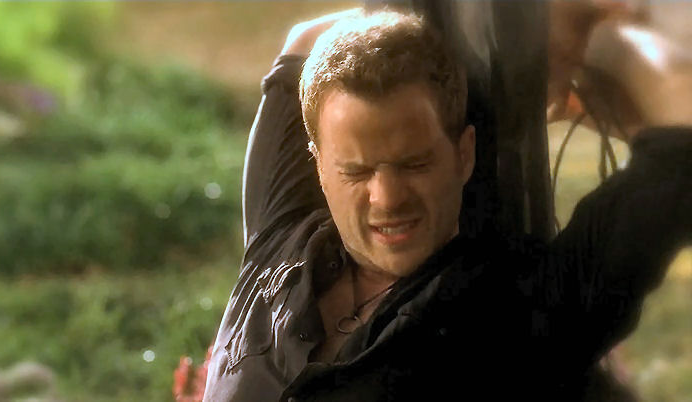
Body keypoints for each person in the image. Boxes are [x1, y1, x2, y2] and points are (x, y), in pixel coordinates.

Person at [203, 8, 691, 401]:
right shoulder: (280, 229)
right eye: (357, 172)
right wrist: (470, 18)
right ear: (318, 165)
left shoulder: (530, 306)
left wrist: (583, 36)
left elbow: (683, 112)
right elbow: (306, 39)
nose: (387, 199)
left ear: (463, 153)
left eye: (414, 164)